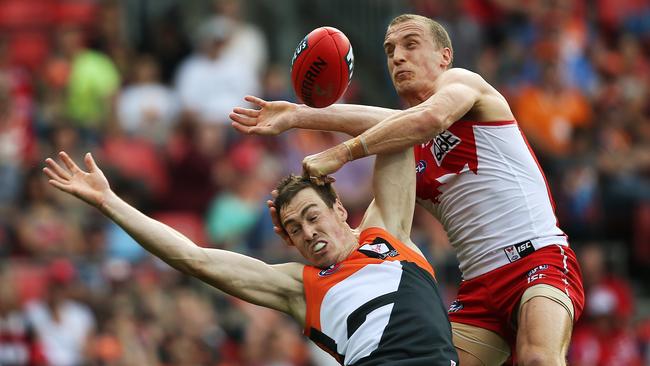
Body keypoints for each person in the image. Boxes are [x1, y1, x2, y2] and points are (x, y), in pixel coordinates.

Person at [230, 13, 585, 366]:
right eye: (389, 50)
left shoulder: (464, 83)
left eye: (410, 44)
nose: (397, 56)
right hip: (478, 286)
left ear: (445, 56)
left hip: (536, 258)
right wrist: (296, 116)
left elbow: (428, 119)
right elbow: (390, 127)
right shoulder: (404, 142)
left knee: (538, 358)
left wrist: (341, 152)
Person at [43, 149, 458, 365]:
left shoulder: (387, 232)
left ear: (338, 210)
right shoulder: (301, 287)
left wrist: (309, 123)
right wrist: (108, 201)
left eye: (312, 216)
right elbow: (194, 258)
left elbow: (395, 133)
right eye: (294, 228)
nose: (308, 232)